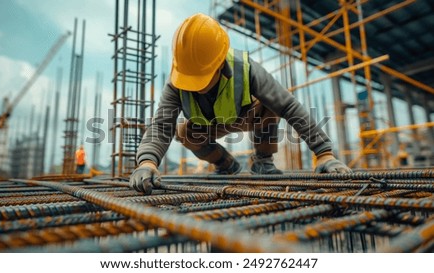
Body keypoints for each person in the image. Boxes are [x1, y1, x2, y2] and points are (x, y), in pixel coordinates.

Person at [129, 13, 351, 194]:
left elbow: (289, 106)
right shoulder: (177, 80)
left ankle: (263, 161)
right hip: (208, 124)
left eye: (202, 78)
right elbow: (161, 125)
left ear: (220, 64)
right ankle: (226, 165)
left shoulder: (246, 69)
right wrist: (147, 162)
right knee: (183, 131)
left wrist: (324, 153)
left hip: (247, 116)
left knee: (271, 104)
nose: (195, 86)